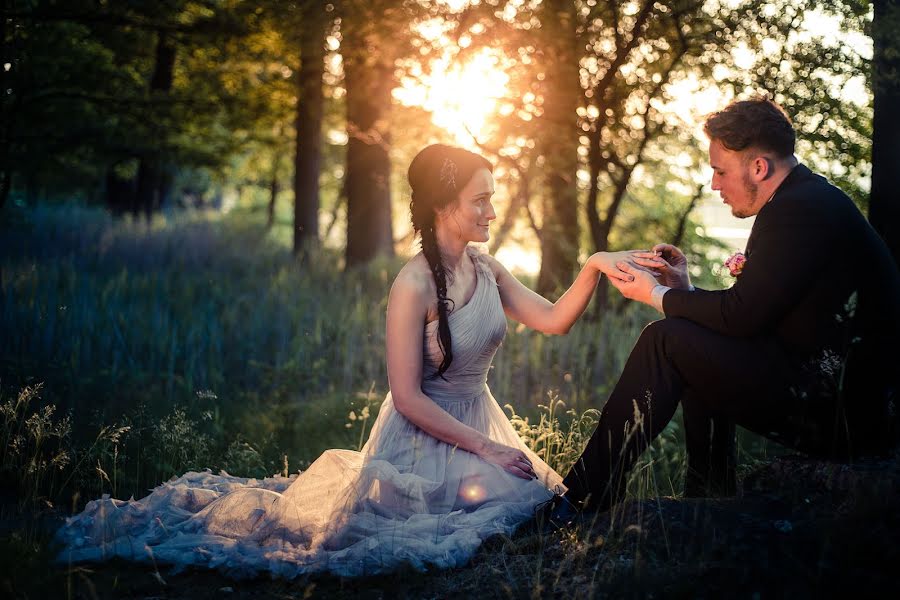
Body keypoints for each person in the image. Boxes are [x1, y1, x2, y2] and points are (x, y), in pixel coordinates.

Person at [56, 143, 652, 577]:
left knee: (526, 511)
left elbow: (553, 319)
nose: (492, 212)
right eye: (481, 200)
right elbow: (410, 397)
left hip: (479, 419)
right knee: (442, 531)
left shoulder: (487, 269)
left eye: (491, 200)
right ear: (446, 203)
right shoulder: (412, 285)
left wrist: (596, 264)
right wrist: (487, 448)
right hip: (423, 437)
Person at [546, 97, 900, 526]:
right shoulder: (804, 199)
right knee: (692, 336)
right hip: (819, 388)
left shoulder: (799, 210)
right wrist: (685, 290)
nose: (714, 184)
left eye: (720, 171)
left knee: (665, 339)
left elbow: (742, 317)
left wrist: (656, 294)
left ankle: (583, 499)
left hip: (839, 411)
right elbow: (755, 310)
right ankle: (708, 496)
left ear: (758, 168)